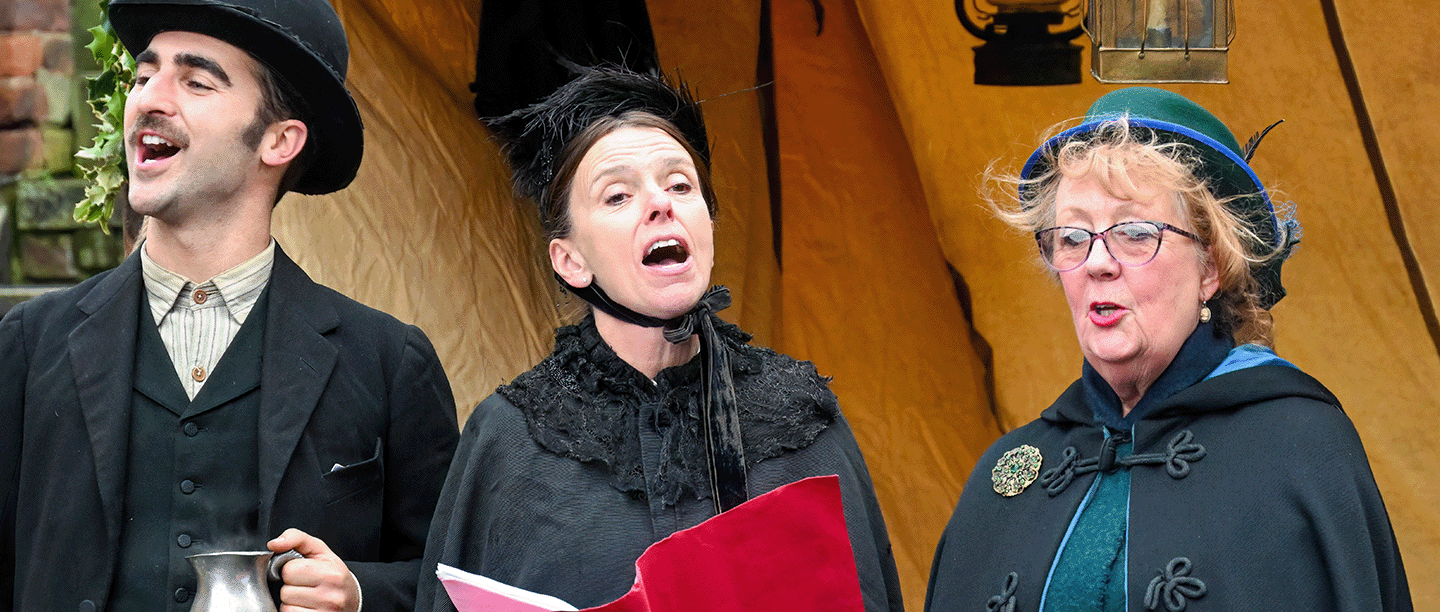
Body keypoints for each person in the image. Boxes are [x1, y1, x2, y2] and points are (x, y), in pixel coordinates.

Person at [0, 0, 460, 611]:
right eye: (143, 76)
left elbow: (455, 585)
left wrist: (359, 594)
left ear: (278, 140)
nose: (149, 99)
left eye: (195, 81)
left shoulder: (387, 363)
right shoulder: (30, 344)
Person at [414, 66, 904, 612]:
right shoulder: (513, 440)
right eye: (618, 195)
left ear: (709, 224)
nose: (660, 203)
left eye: (680, 184)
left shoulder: (800, 419)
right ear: (570, 260)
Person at [925, 87, 1411, 612]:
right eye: (1072, 237)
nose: (1097, 263)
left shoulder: (1299, 450)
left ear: (1211, 267)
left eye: (1134, 232)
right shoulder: (1010, 469)